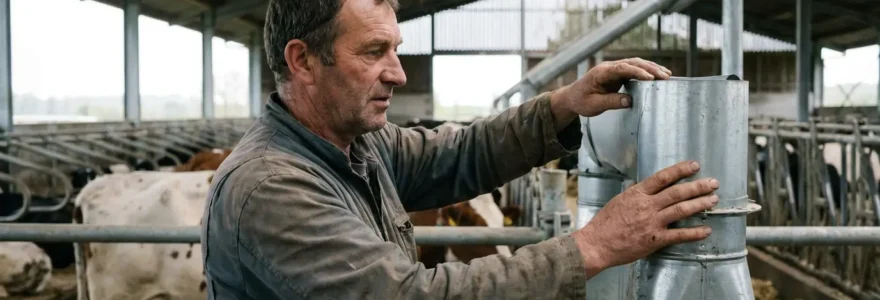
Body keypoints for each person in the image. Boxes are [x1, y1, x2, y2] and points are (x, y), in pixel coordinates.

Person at [200, 0, 721, 299]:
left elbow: (457, 154)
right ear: (303, 60)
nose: (398, 73)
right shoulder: (272, 187)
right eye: (374, 51)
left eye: (396, 50)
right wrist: (593, 246)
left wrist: (562, 104)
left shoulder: (353, 145)